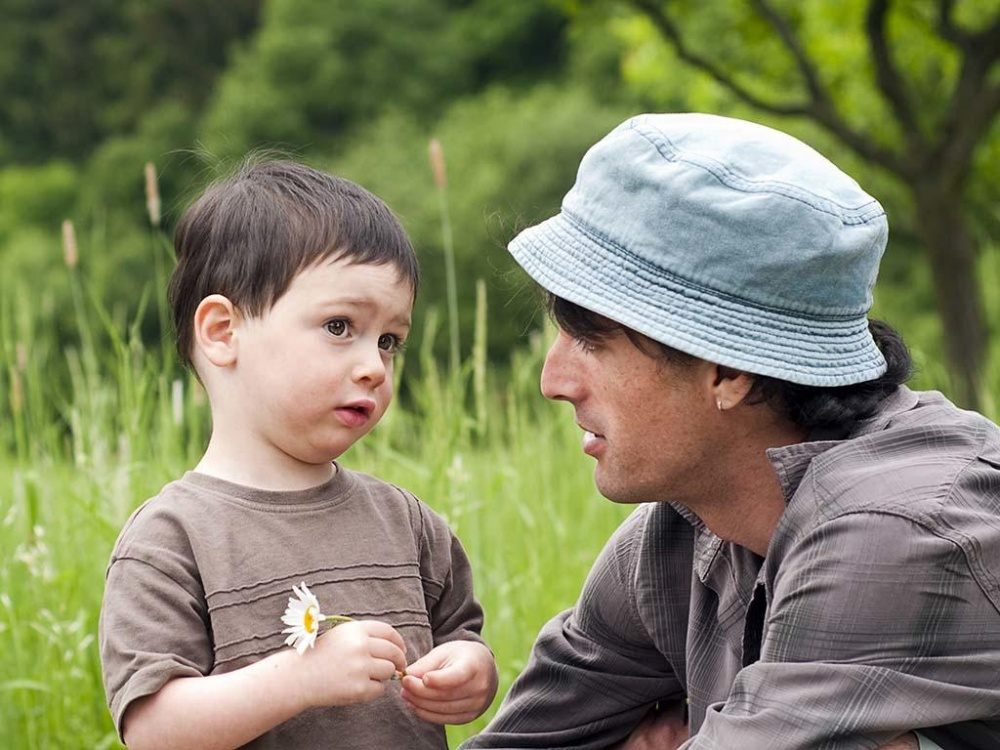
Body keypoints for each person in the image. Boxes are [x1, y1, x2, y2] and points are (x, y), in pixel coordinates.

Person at [462, 113, 1000, 749]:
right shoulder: (682, 532)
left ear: (730, 371)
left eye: (589, 338)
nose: (553, 380)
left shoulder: (897, 532)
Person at [99, 159, 498, 750]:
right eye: (340, 326)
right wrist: (300, 678)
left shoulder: (405, 522)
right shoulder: (171, 540)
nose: (373, 366)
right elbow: (155, 731)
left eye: (389, 341)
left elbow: (460, 635)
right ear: (222, 332)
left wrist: (470, 671)